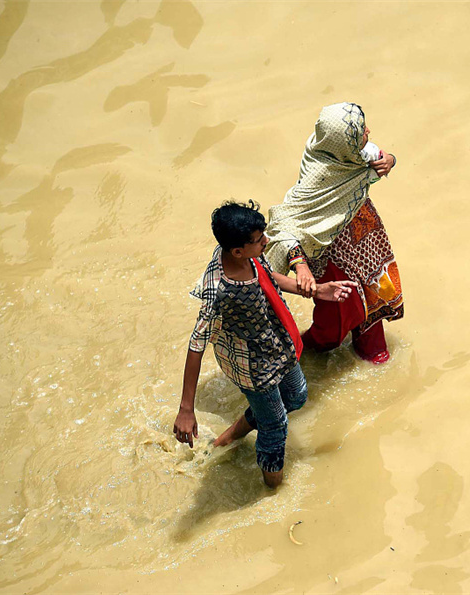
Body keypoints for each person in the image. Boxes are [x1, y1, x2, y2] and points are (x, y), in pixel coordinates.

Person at [172, 201, 356, 488]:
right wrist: (186, 409)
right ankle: (273, 488)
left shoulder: (247, 255)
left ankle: (233, 434)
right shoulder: (219, 292)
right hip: (252, 367)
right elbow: (196, 345)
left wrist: (317, 290)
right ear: (237, 251)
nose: (266, 242)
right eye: (259, 241)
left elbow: (270, 277)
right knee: (276, 426)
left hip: (276, 343)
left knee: (296, 396)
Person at [264, 102, 403, 365]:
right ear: (344, 143)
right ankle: (303, 352)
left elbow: (383, 158)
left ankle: (372, 351)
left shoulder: (356, 154)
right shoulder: (318, 175)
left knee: (372, 293)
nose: (369, 132)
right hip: (329, 251)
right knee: (337, 314)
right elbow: (287, 224)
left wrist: (391, 160)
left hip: (365, 239)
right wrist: (301, 265)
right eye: (362, 130)